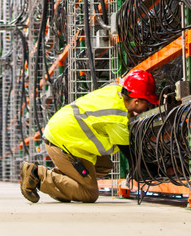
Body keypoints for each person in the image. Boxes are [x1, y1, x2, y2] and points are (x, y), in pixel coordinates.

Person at [19, 69, 158, 203]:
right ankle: (37, 174)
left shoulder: (115, 91)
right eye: (147, 102)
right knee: (89, 194)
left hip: (65, 133)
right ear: (136, 101)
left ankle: (63, 187)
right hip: (61, 141)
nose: (148, 106)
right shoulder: (116, 118)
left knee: (105, 165)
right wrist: (158, 171)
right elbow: (134, 158)